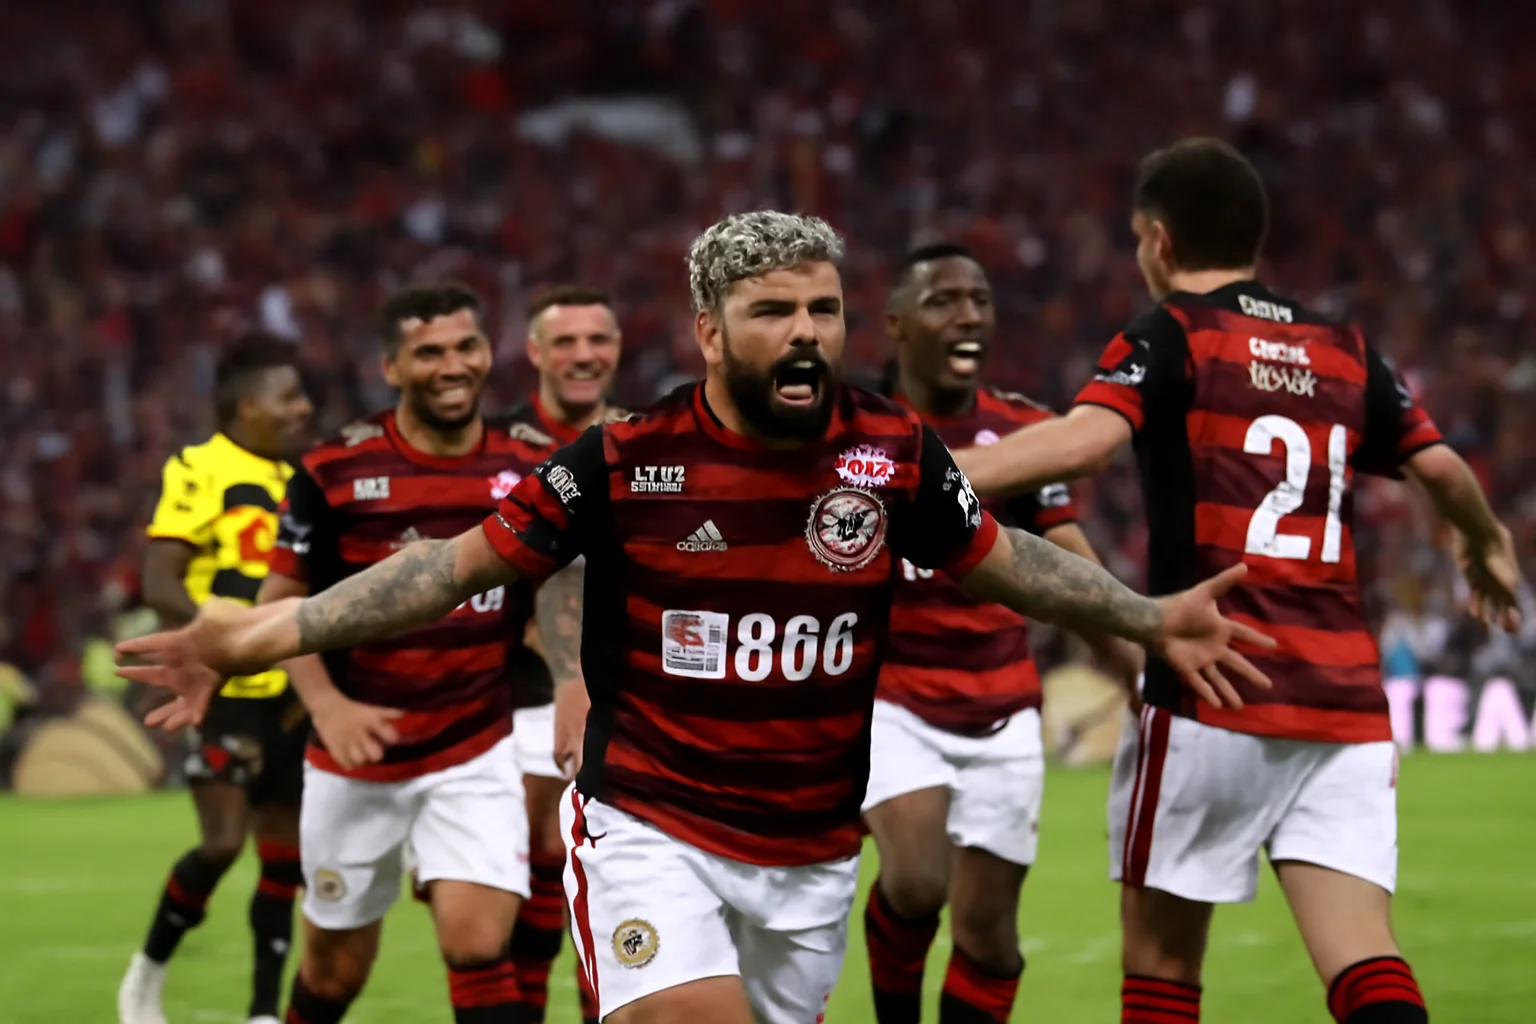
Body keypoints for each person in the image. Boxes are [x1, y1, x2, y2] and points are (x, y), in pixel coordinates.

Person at [119, 211, 1274, 1024]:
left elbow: (1007, 562)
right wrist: (252, 635)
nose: (806, 332)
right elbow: (444, 571)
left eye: (822, 308)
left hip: (811, 853)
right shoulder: (626, 459)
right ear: (711, 333)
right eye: (772, 311)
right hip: (651, 828)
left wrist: (1147, 615)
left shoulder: (892, 451)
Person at [951, 139, 1526, 1024]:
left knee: (1162, 964)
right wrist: (1485, 541)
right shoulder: (1344, 347)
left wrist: (918, 471)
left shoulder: (1173, 332)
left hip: (1212, 682)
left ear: (1159, 240)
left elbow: (1086, 443)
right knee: (1365, 958)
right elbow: (1441, 467)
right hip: (1341, 703)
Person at [864, 243, 1142, 1024]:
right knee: (917, 880)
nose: (969, 316)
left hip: (1001, 703)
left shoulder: (1023, 429)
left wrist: (1136, 663)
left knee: (989, 938)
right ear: (897, 325)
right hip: (888, 696)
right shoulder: (856, 430)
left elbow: (1068, 558)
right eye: (944, 301)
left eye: (979, 301)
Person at [257, 283, 542, 1024]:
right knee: (333, 976)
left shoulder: (533, 464)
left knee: (479, 945)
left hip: (474, 745)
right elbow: (276, 605)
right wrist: (328, 706)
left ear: (488, 352)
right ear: (392, 367)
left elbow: (561, 587)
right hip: (355, 757)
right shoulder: (332, 470)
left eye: (466, 347)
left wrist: (570, 667)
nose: (452, 366)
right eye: (429, 352)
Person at [119, 333, 313, 1024]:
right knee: (223, 843)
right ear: (247, 405)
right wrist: (216, 634)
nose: (303, 408)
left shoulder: (302, 480)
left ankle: (263, 1012)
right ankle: (147, 973)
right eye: (289, 396)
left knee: (284, 858)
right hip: (222, 689)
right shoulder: (201, 466)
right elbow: (158, 578)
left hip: (290, 692)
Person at [508, 284, 623, 1024]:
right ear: (536, 352)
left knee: (608, 883)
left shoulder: (643, 443)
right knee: (533, 880)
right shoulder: (499, 447)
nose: (584, 355)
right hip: (516, 697)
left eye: (598, 340)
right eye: (566, 342)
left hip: (624, 695)